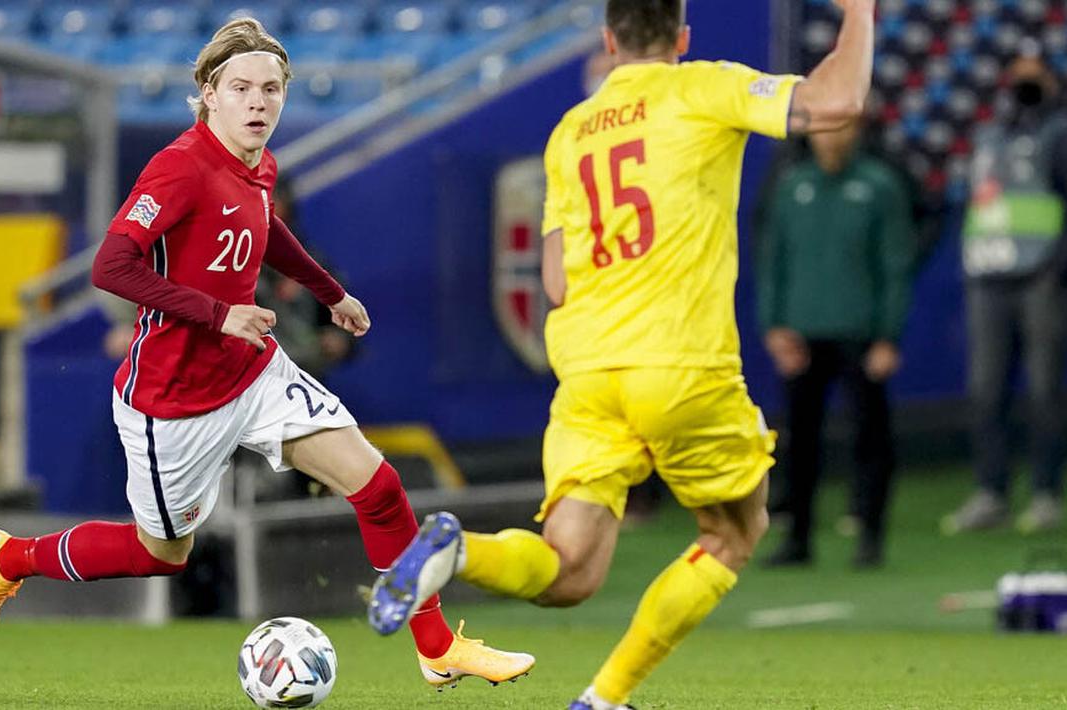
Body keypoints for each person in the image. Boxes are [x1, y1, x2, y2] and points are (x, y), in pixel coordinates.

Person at [0, 17, 533, 689]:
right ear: (208, 92)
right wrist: (216, 313)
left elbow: (267, 229)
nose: (258, 102)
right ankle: (11, 558)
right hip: (171, 403)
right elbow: (111, 267)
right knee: (161, 555)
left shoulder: (260, 163)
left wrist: (329, 293)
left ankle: (435, 648)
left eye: (271, 89)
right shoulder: (178, 167)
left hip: (254, 373)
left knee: (377, 485)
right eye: (240, 88)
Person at [368, 0, 875, 707]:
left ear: (608, 40)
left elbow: (554, 279)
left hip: (586, 372)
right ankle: (602, 699)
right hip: (678, 364)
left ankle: (457, 552)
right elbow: (837, 100)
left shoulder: (570, 131)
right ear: (682, 36)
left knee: (569, 569)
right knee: (732, 533)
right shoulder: (701, 86)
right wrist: (857, 15)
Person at [756, 118, 916, 568]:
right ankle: (797, 537)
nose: (832, 137)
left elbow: (894, 265)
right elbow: (773, 260)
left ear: (856, 132)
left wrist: (889, 335)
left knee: (870, 437)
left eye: (841, 127)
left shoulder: (879, 186)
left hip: (860, 333)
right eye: (825, 128)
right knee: (799, 440)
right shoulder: (792, 186)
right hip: (803, 332)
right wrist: (775, 325)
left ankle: (870, 535)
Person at [942, 48, 1067, 535]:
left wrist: (1058, 267)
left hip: (1042, 277)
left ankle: (1044, 493)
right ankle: (991, 492)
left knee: (1042, 391)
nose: (1025, 84)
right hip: (989, 275)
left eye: (1034, 76)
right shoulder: (989, 135)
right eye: (1018, 75)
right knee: (986, 390)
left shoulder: (1059, 133)